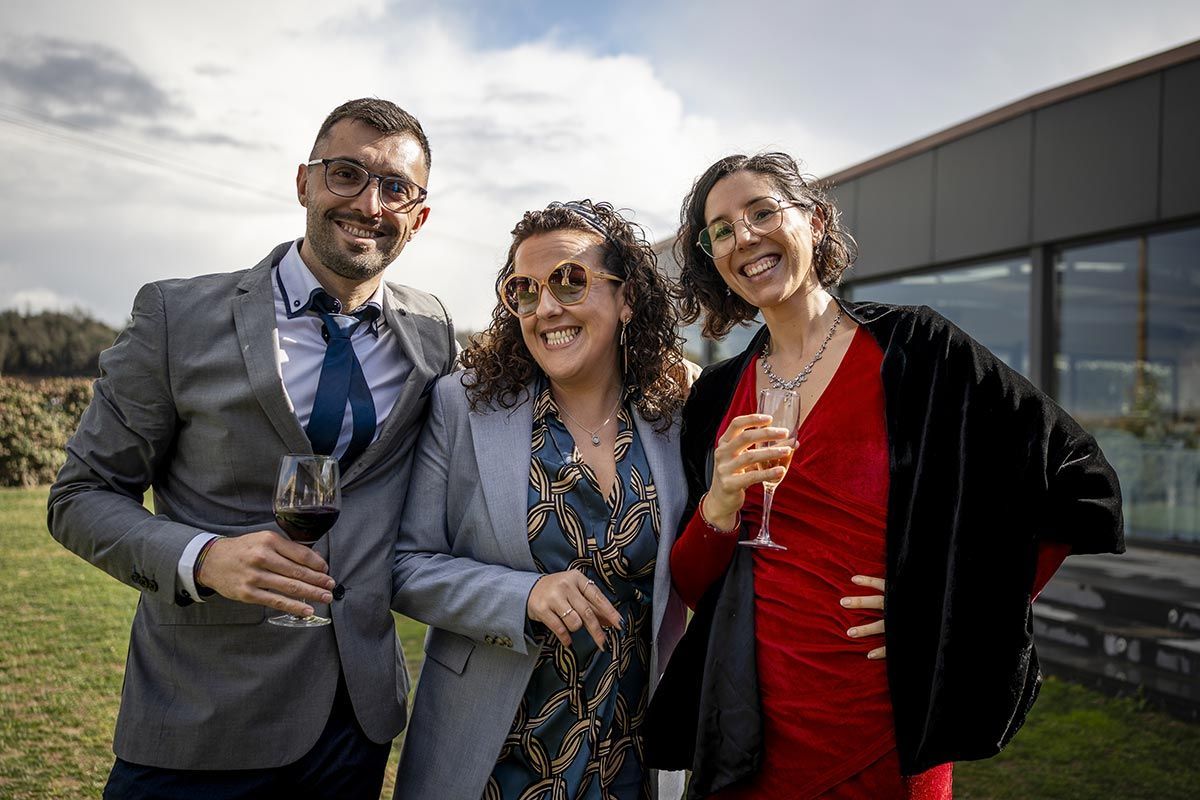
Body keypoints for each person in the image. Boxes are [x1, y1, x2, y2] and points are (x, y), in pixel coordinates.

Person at [656, 152, 1124, 799]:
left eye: (762, 211)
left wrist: (945, 604)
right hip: (745, 734)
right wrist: (719, 503)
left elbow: (1078, 483)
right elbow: (691, 584)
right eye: (723, 230)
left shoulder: (919, 351)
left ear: (815, 222)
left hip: (881, 733)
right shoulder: (715, 396)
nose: (746, 237)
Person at [47, 98, 456, 799]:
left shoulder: (432, 331)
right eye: (347, 174)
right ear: (304, 183)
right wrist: (204, 558)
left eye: (396, 189)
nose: (369, 203)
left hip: (355, 725)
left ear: (418, 218)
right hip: (202, 717)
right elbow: (79, 497)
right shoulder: (176, 317)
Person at [390, 200, 690, 799]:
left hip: (631, 751)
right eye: (523, 290)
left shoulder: (676, 410)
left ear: (626, 297)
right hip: (497, 753)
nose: (546, 307)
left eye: (570, 281)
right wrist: (522, 594)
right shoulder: (462, 406)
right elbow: (405, 564)